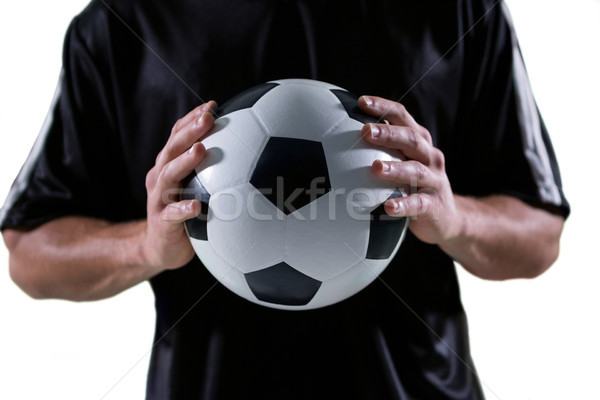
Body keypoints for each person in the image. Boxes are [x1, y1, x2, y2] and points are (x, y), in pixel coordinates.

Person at [1, 0, 569, 399]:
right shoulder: (123, 21)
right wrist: (144, 247)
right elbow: (31, 253)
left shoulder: (457, 10)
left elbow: (538, 237)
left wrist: (456, 219)